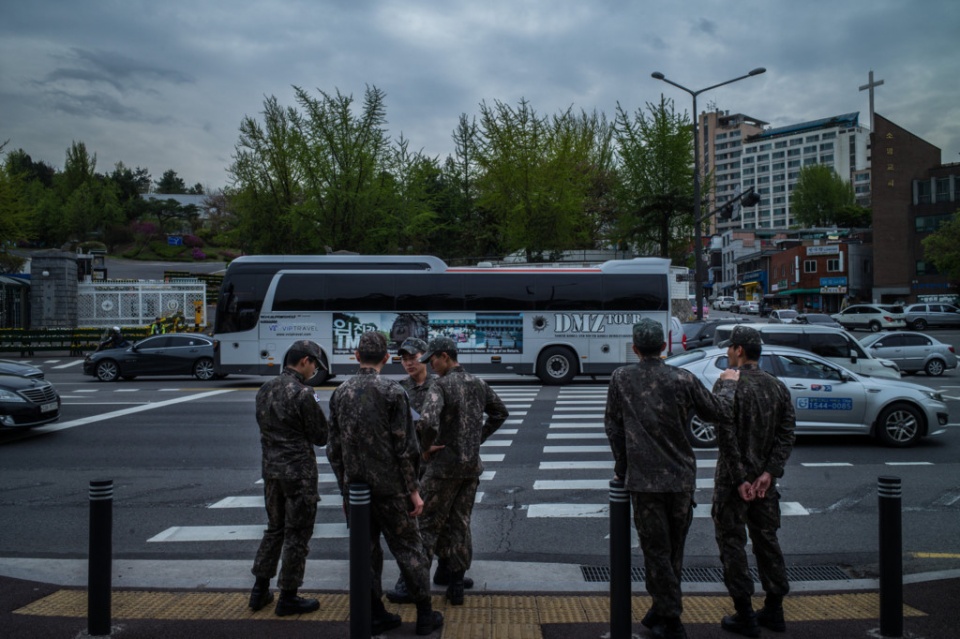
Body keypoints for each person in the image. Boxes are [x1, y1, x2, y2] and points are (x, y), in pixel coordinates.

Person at [605, 318, 739, 639]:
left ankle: (671, 619)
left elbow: (614, 426)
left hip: (644, 481)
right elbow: (720, 411)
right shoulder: (683, 377)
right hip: (681, 479)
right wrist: (728, 381)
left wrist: (622, 467)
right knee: (673, 551)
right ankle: (661, 610)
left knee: (656, 552)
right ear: (664, 347)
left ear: (635, 348)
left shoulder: (621, 378)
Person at [327, 331, 443, 636]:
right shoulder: (393, 392)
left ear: (356, 357)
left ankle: (374, 613)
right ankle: (424, 615)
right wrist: (414, 491)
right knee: (409, 550)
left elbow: (333, 449)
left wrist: (345, 490)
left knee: (366, 553)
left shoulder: (340, 393)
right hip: (392, 490)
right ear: (386, 358)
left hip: (357, 492)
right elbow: (406, 448)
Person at [712, 325, 796, 636]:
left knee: (732, 544)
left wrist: (738, 478)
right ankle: (774, 609)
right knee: (767, 541)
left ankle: (744, 613)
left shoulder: (728, 385)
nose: (727, 352)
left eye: (730, 347)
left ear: (739, 350)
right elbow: (786, 434)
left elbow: (724, 434)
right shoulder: (777, 387)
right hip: (764, 484)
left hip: (733, 484)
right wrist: (768, 473)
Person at [416, 336, 509, 606]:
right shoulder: (477, 383)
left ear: (445, 356)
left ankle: (416, 588)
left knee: (425, 527)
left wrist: (425, 448)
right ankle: (456, 585)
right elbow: (500, 413)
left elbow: (427, 422)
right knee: (460, 525)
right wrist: (477, 438)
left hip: (442, 468)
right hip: (470, 469)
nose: (430, 364)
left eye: (432, 358)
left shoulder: (440, 386)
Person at [386, 337, 475, 603]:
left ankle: (448, 569)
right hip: (412, 466)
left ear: (427, 356)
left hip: (442, 466)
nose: (409, 363)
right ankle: (410, 578)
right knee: (415, 525)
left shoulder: (443, 384)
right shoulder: (399, 390)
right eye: (403, 359)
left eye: (413, 357)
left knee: (451, 521)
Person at [249, 340, 328, 617]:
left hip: (271, 472)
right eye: (315, 364)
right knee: (297, 534)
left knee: (274, 529)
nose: (315, 370)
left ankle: (259, 590)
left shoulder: (265, 389)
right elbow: (321, 436)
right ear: (305, 361)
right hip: (298, 474)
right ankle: (289, 596)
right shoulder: (304, 393)